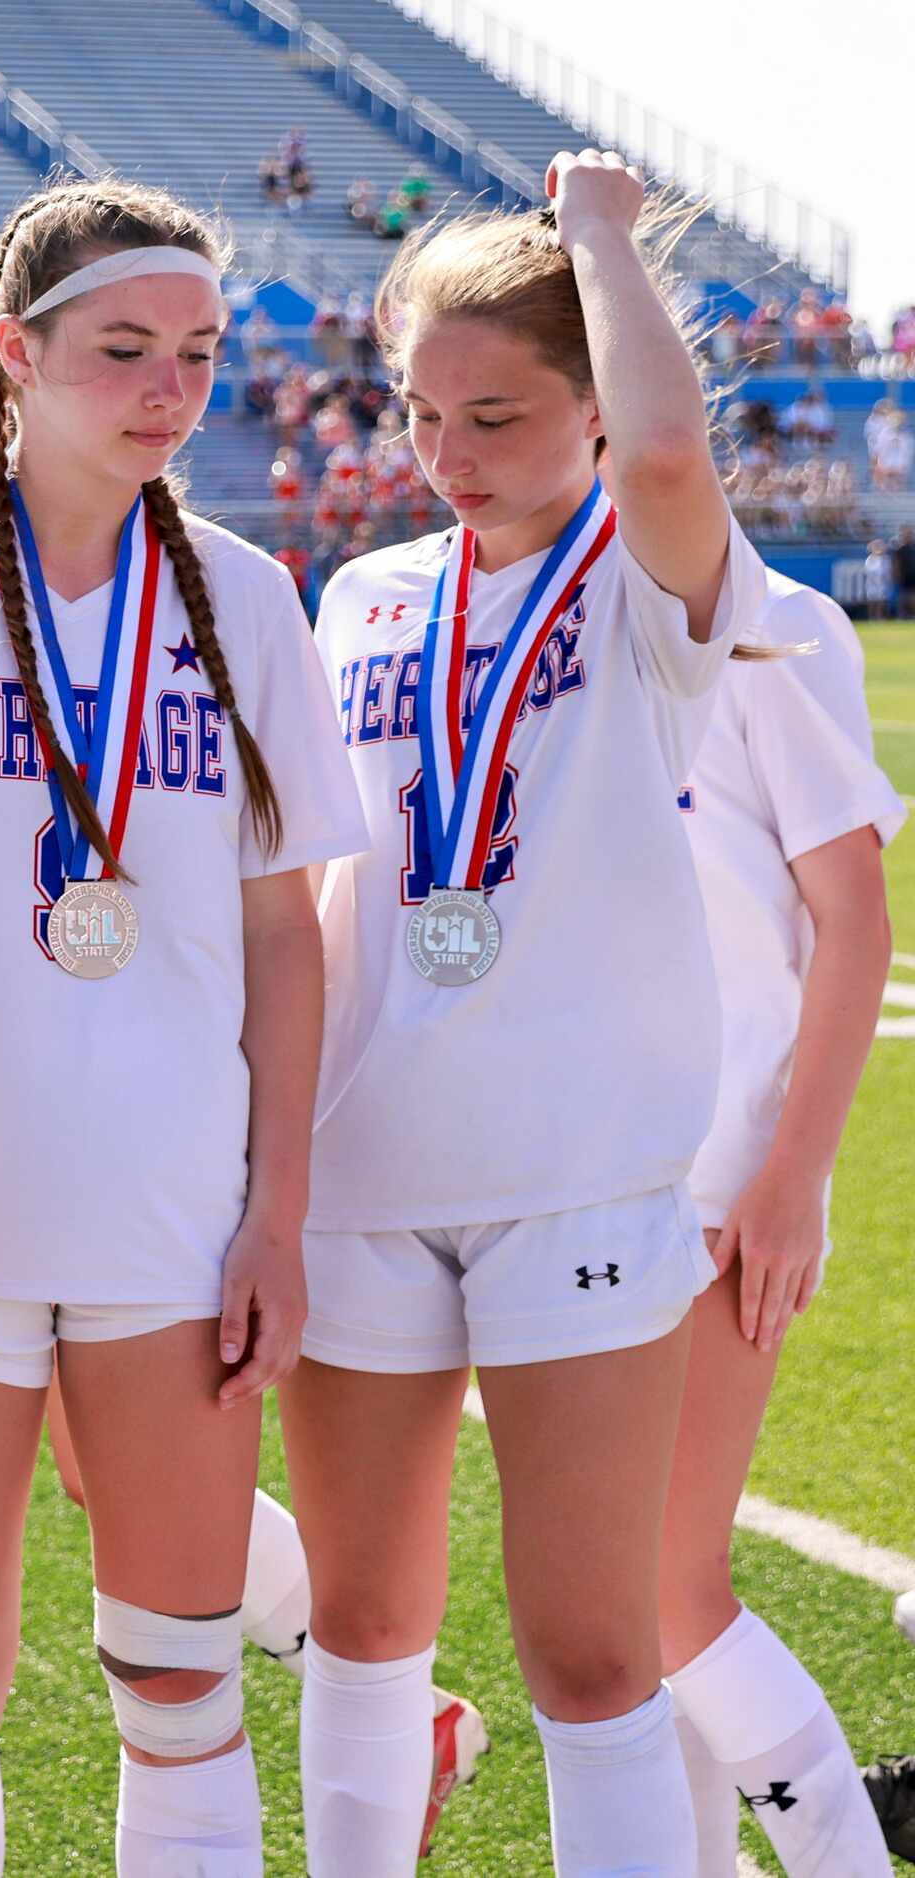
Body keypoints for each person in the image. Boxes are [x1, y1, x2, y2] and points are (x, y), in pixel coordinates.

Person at [0, 245, 487, 1875]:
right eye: (124, 349)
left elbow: (288, 934)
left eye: (198, 353)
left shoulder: (240, 592)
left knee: (177, 1672)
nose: (169, 388)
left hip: (172, 1222)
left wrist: (277, 1214)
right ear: (15, 349)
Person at [292, 152, 767, 1873]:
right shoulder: (363, 597)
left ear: (585, 404)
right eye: (421, 415)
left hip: (574, 1167)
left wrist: (600, 237)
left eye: (493, 415)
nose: (444, 458)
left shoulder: (651, 582)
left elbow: (661, 454)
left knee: (586, 1644)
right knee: (357, 1629)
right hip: (362, 1168)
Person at [660, 574, 899, 1873]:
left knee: (664, 1590)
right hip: (563, 1167)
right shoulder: (542, 612)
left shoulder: (781, 616)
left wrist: (795, 1174)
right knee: (622, 1605)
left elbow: (853, 915)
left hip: (718, 1179)